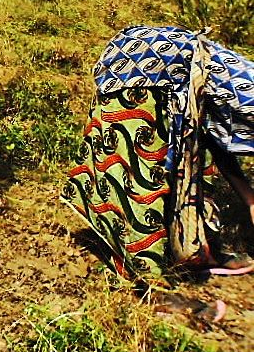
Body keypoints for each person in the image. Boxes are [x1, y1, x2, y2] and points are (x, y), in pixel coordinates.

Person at [62, 26, 254, 282]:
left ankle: (192, 250)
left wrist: (250, 200)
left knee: (191, 165)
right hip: (142, 68)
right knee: (141, 177)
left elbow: (216, 136)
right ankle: (148, 282)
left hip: (166, 69)